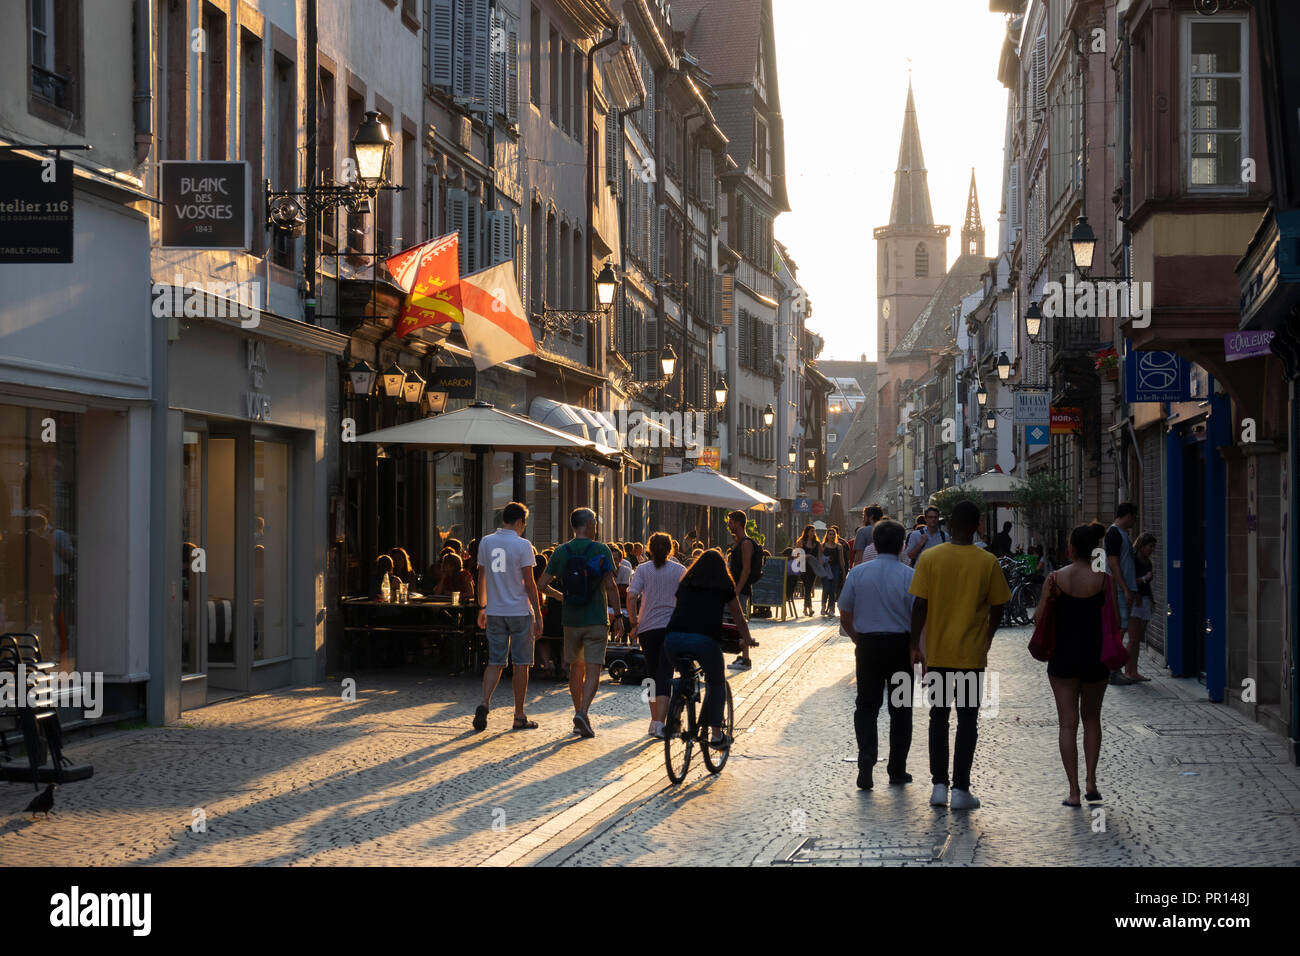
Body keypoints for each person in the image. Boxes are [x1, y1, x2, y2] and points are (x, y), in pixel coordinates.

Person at [908, 499, 1011, 810]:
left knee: (938, 718)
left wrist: (915, 645)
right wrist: (988, 637)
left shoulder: (931, 558)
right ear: (976, 525)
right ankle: (961, 790)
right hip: (971, 655)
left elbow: (919, 606)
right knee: (968, 722)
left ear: (949, 525)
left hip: (938, 655)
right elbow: (998, 607)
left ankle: (939, 786)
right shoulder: (987, 561)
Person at [1036, 524, 1120, 807]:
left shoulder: (1055, 579)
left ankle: (1073, 792)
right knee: (1092, 719)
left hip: (1063, 657)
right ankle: (1091, 782)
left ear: (1070, 547)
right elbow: (1116, 621)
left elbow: (1038, 618)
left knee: (1067, 724)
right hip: (1095, 657)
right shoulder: (1105, 581)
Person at [838, 519, 916, 790]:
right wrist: (916, 648)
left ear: (874, 544)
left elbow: (845, 613)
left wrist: (858, 639)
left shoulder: (858, 574)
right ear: (901, 545)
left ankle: (866, 758)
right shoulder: (909, 575)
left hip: (869, 647)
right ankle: (897, 769)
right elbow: (919, 617)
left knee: (867, 706)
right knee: (901, 710)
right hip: (900, 649)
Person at [539, 508, 623, 738]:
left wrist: (561, 596)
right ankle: (583, 713)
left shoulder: (561, 552)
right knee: (594, 668)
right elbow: (610, 586)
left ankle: (578, 716)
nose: (596, 525)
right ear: (587, 524)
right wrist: (619, 615)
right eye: (594, 522)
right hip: (595, 619)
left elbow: (541, 584)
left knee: (576, 669)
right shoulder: (601, 549)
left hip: (571, 621)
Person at [663, 549, 754, 749]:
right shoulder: (724, 584)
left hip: (673, 639)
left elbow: (679, 608)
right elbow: (738, 616)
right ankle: (715, 734)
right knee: (716, 681)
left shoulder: (686, 582)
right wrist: (747, 639)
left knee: (686, 675)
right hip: (705, 640)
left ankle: (675, 717)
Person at [473, 502, 544, 732]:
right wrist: (539, 614)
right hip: (519, 611)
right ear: (520, 522)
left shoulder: (486, 541)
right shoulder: (523, 545)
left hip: (494, 610)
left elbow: (481, 577)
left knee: (495, 661)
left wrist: (482, 606)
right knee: (521, 664)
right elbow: (530, 584)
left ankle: (484, 702)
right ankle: (519, 715)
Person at [627, 532, 687, 739]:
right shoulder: (680, 570)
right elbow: (686, 598)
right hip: (671, 629)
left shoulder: (642, 569)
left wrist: (634, 621)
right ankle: (660, 723)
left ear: (649, 549)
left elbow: (631, 595)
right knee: (665, 674)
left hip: (647, 629)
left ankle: (653, 721)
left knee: (650, 675)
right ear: (671, 549)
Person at [1104, 503, 1141, 685]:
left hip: (1123, 587)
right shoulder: (1113, 534)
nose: (1135, 521)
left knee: (1122, 627)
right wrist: (1125, 588)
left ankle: (1114, 668)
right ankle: (1113, 669)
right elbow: (1113, 563)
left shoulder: (1121, 534)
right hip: (1119, 589)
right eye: (1134, 517)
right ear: (1127, 515)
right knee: (1120, 627)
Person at [726, 510, 761, 669]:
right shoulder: (738, 543)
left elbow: (746, 569)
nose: (729, 525)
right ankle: (743, 657)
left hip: (741, 589)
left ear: (738, 523)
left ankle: (745, 658)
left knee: (740, 621)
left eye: (731, 522)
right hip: (735, 589)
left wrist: (737, 590)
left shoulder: (746, 543)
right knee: (737, 622)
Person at [1126, 533, 1157, 682]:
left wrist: (1151, 599)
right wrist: (1145, 579)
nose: (1152, 550)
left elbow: (1146, 585)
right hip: (1135, 602)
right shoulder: (1133, 560)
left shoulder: (1147, 562)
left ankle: (1134, 670)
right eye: (1150, 546)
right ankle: (1128, 670)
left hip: (1144, 601)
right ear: (1142, 546)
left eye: (1153, 547)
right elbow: (1130, 580)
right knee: (1133, 639)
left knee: (1137, 639)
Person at [821, 526, 848, 614]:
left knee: (833, 588)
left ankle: (832, 608)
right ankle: (823, 606)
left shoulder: (839, 546)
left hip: (836, 568)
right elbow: (819, 559)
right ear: (827, 535)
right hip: (826, 569)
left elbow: (841, 560)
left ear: (835, 536)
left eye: (833, 534)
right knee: (826, 588)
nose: (832, 536)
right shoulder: (823, 546)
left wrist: (843, 572)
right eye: (830, 534)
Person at [796, 525, 821, 615]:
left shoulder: (817, 543)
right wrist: (806, 556)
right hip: (804, 566)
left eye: (814, 531)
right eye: (811, 531)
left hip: (813, 567)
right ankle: (810, 608)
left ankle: (805, 608)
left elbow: (819, 557)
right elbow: (797, 555)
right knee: (807, 586)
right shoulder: (801, 542)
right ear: (807, 532)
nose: (813, 533)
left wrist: (820, 567)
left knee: (809, 587)